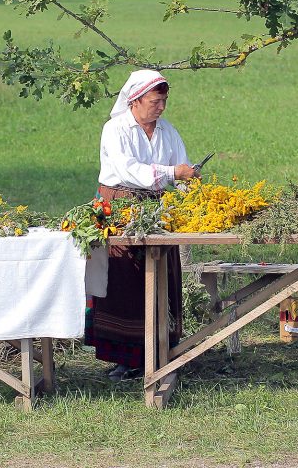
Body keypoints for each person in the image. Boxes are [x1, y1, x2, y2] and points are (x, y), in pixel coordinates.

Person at [84, 69, 199, 381]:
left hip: (157, 211)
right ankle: (125, 359)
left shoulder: (168, 132)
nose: (160, 107)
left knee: (162, 272)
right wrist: (174, 173)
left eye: (163, 101)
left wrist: (195, 192)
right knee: (124, 279)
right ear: (135, 100)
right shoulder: (115, 129)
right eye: (154, 101)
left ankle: (163, 351)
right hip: (120, 207)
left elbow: (183, 169)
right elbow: (128, 169)